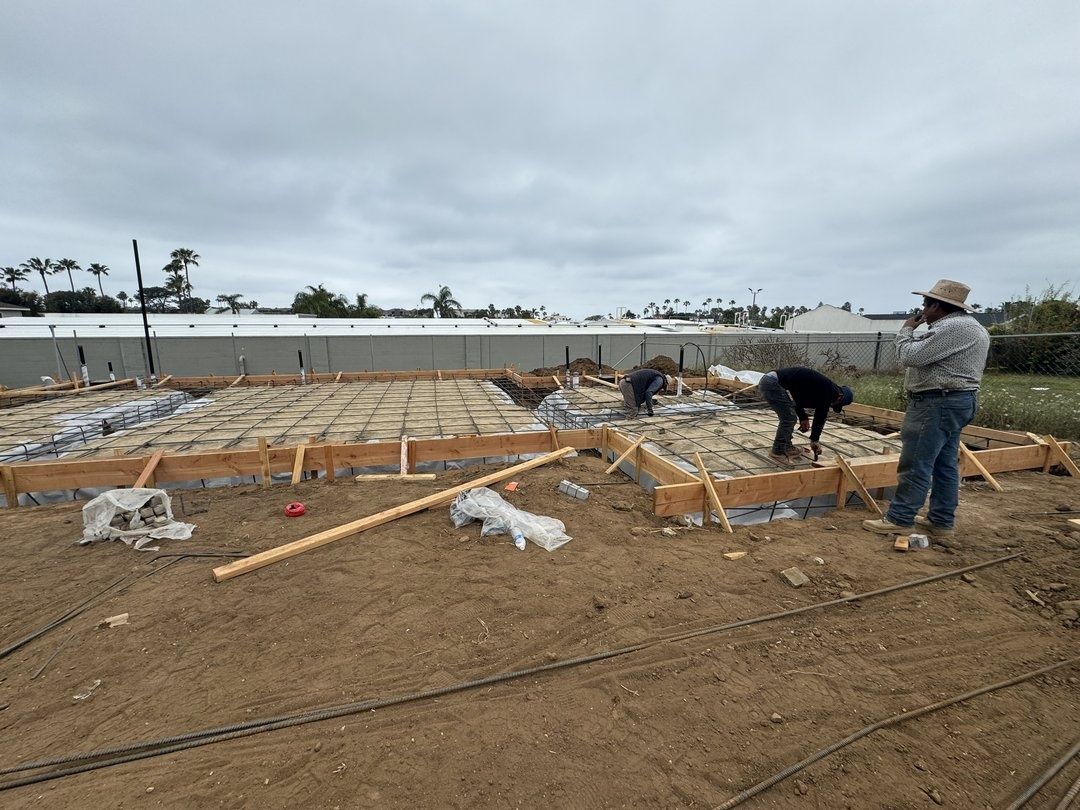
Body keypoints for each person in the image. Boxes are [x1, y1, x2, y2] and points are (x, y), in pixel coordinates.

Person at [863, 279, 990, 537]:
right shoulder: (973, 327)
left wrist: (906, 330)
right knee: (944, 464)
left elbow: (910, 356)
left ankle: (900, 518)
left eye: (925, 305)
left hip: (937, 403)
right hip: (956, 402)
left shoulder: (952, 327)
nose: (921, 311)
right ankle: (941, 521)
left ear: (936, 306)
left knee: (916, 462)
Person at [758, 367, 853, 466]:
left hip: (771, 380)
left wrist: (803, 417)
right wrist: (814, 440)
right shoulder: (829, 391)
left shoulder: (824, 389)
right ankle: (777, 452)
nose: (831, 405)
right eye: (834, 404)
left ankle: (786, 447)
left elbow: (797, 398)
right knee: (789, 418)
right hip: (772, 382)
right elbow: (820, 417)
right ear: (840, 397)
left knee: (790, 417)